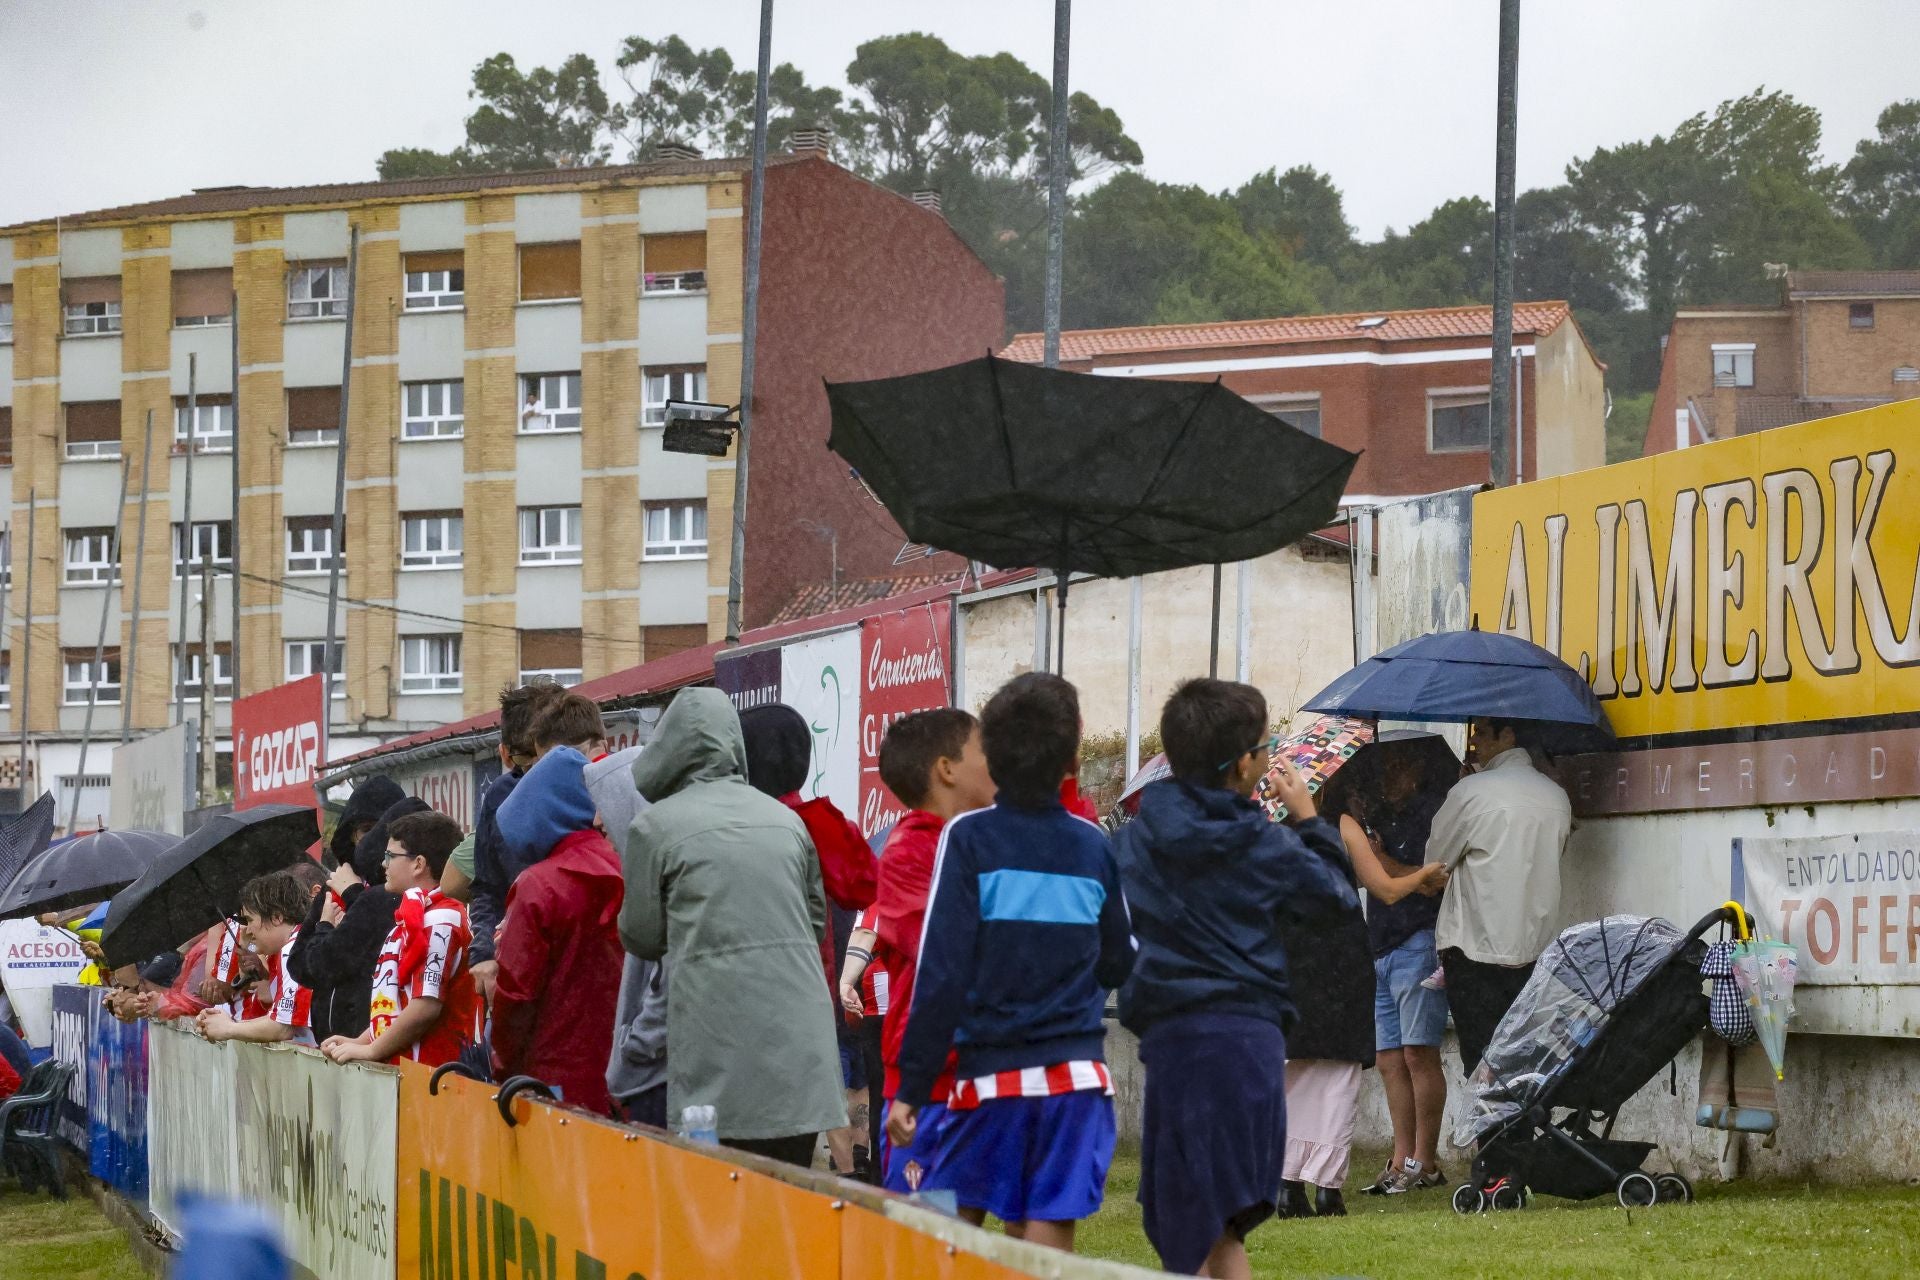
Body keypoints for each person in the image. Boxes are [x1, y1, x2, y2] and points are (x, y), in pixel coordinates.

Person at [1112, 679, 1360, 1275]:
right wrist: (1309, 821)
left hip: (1169, 1040)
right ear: (1247, 762)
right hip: (1246, 1037)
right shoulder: (1260, 840)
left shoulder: (1133, 842)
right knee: (1222, 1216)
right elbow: (1334, 901)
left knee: (1187, 1216)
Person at [889, 674, 1135, 1255]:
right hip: (1076, 1076)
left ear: (991, 757)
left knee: (951, 1228)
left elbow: (942, 971)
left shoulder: (968, 838)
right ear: (1073, 756)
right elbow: (1120, 958)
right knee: (1051, 1229)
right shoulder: (1092, 844)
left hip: (989, 1075)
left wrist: (914, 1086)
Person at [619, 688, 846, 1166]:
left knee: (718, 1211)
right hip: (801, 1054)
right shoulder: (786, 821)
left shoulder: (654, 827)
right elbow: (814, 920)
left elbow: (640, 935)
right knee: (789, 1206)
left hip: (715, 1051)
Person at [840, 708, 995, 1193]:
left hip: (982, 1060)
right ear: (946, 770)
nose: (996, 763)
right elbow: (942, 946)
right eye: (982, 751)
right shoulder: (908, 851)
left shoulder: (978, 840)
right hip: (925, 1073)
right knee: (924, 1223)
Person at [739, 702, 878, 1174]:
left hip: (754, 1014)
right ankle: (855, 1170)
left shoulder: (737, 828)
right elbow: (864, 884)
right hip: (822, 993)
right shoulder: (820, 821)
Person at [1323, 742, 1456, 1197]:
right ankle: (1400, 1159)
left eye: (1403, 764)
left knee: (1420, 1054)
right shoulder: (1374, 820)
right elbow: (1378, 880)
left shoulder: (1433, 818)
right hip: (1378, 943)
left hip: (1419, 941)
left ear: (1420, 772)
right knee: (1387, 1060)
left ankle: (1426, 1159)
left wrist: (1383, 862)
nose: (1391, 775)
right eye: (1387, 766)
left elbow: (1429, 880)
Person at [1433, 718, 1573, 1077]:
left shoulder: (1471, 792)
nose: (1474, 739)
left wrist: (1464, 788)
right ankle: (1515, 1131)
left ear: (1508, 735)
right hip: (1532, 948)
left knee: (1480, 1063)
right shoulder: (1556, 796)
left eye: (1481, 731)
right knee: (1518, 1060)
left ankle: (1486, 1131)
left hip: (1472, 947)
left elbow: (1435, 862)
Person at [491, 745, 626, 1115]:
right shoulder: (627, 862)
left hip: (553, 1074)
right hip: (627, 1073)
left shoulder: (538, 885)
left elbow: (515, 994)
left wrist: (502, 1067)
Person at [323, 811, 478, 1067]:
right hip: (408, 1076)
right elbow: (395, 1006)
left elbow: (425, 1007)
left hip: (436, 1079)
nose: (383, 865)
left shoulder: (441, 918)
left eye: (390, 856)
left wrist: (372, 1050)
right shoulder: (413, 915)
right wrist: (360, 1041)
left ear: (418, 863)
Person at [288, 796, 428, 1041]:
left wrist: (349, 905)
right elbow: (302, 966)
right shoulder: (335, 886)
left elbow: (422, 1000)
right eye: (366, 830)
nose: (375, 839)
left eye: (380, 829)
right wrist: (327, 928)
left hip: (373, 1045)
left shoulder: (406, 898)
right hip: (336, 1044)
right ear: (351, 835)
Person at [462, 682, 568, 999]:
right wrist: (483, 945)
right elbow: (487, 885)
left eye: (543, 758)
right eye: (527, 761)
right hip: (515, 963)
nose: (536, 773)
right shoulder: (498, 796)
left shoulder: (593, 786)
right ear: (507, 754)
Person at [587, 744, 670, 1128]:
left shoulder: (664, 881)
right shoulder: (640, 879)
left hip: (658, 1078)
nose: (598, 821)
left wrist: (634, 1046)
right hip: (651, 1073)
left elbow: (669, 988)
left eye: (607, 802)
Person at [198, 871, 321, 1046]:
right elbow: (281, 1021)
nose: (247, 930)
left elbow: (283, 1029)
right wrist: (225, 1024)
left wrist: (228, 1029)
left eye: (249, 920)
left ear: (277, 917)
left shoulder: (295, 949)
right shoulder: (297, 943)